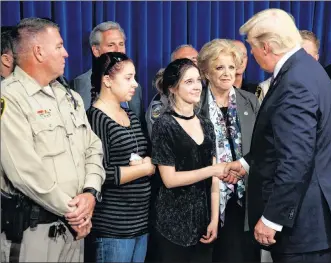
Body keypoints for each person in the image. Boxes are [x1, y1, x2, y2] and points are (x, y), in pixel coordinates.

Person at [225, 9, 331, 262]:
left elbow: (296, 160)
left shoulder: (295, 82)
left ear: (268, 47)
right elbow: (284, 140)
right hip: (309, 218)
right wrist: (246, 163)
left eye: (252, 47)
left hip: (302, 223)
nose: (251, 54)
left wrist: (273, 218)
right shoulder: (306, 69)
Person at [0, 17, 105, 262]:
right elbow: (24, 171)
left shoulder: (68, 97)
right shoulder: (10, 97)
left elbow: (93, 147)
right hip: (33, 234)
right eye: (59, 46)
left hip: (72, 231)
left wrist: (90, 193)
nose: (66, 53)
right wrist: (75, 214)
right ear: (38, 52)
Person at [151, 58, 226, 262]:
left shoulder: (206, 124)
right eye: (188, 82)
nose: (197, 86)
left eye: (198, 80)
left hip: (203, 225)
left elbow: (214, 179)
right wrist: (212, 170)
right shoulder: (164, 125)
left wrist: (214, 219)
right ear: (173, 88)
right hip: (171, 226)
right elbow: (170, 179)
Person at [85, 52, 155, 262]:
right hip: (114, 228)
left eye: (134, 77)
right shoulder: (96, 117)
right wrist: (144, 168)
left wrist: (145, 162)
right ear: (107, 80)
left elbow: (143, 153)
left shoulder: (130, 114)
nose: (134, 84)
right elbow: (100, 172)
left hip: (140, 222)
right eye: (128, 78)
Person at [197, 38, 260, 262]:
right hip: (207, 194)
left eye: (231, 67)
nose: (226, 73)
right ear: (205, 72)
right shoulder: (195, 104)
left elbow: (263, 145)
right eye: (219, 67)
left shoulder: (250, 101)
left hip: (246, 193)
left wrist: (241, 168)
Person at [70, 21, 144, 120]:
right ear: (96, 51)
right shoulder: (83, 83)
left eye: (121, 44)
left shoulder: (135, 87)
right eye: (111, 45)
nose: (118, 50)